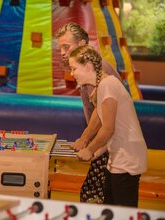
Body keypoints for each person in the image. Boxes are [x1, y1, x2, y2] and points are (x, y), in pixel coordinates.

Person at [69, 45, 147, 207]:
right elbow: (115, 129)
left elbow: (108, 129)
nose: (71, 73)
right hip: (118, 156)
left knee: (124, 212)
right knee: (111, 207)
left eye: (74, 68)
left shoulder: (108, 85)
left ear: (88, 66)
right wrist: (95, 153)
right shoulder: (102, 87)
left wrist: (89, 149)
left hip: (127, 158)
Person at [55, 22, 123, 204]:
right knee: (102, 195)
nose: (62, 52)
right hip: (106, 142)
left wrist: (85, 140)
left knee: (92, 195)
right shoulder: (87, 70)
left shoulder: (97, 69)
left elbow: (102, 114)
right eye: (60, 47)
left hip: (112, 144)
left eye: (66, 47)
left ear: (83, 44)